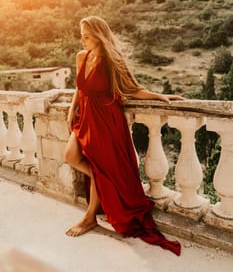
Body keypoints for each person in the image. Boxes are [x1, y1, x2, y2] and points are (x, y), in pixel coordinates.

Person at [64, 16, 183, 256]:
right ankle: (106, 186)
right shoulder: (81, 57)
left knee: (98, 166)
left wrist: (160, 97)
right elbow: (79, 88)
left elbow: (132, 88)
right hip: (86, 117)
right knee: (71, 156)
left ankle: (89, 218)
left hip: (107, 121)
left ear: (98, 36)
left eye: (86, 35)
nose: (82, 39)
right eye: (82, 35)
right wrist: (71, 110)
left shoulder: (111, 61)